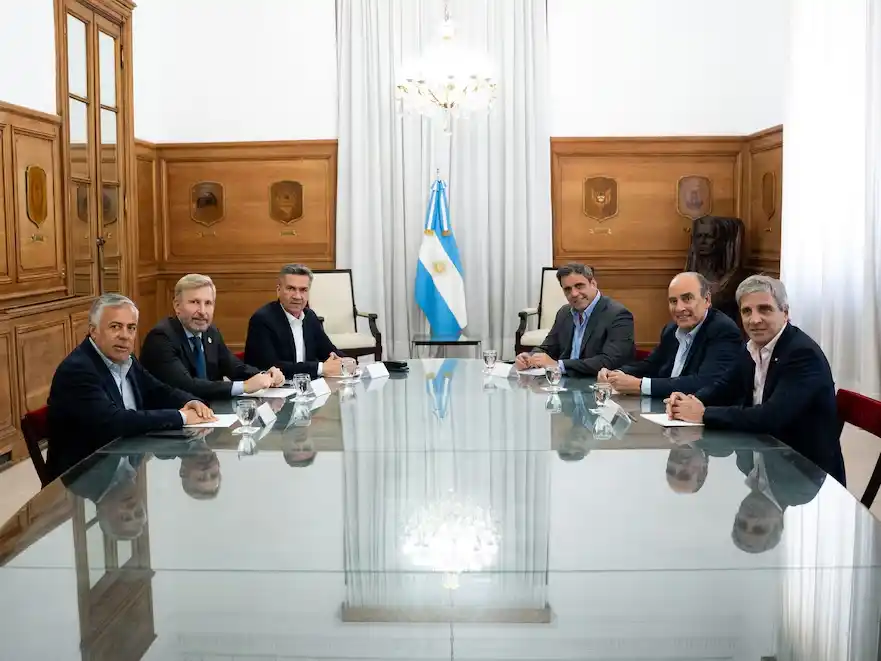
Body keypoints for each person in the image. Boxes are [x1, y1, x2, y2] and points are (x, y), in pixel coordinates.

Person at [665, 275, 845, 484]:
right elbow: (724, 388)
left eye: (765, 309)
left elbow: (770, 416)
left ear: (785, 313)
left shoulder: (802, 354)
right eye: (746, 311)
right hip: (761, 462)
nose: (754, 319)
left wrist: (703, 414)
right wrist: (688, 400)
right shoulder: (751, 347)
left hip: (804, 476)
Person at [46, 293, 215, 480]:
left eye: (131, 328)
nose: (125, 336)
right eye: (115, 327)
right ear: (93, 331)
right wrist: (181, 417)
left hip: (126, 464)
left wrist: (190, 401)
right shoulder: (78, 370)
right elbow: (114, 422)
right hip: (85, 480)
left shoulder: (127, 359)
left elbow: (157, 390)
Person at [140, 273, 284, 400]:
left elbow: (235, 368)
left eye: (208, 303)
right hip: (174, 420)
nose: (202, 311)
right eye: (195, 302)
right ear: (177, 306)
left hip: (210, 415)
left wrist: (266, 376)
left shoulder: (210, 332)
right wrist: (244, 386)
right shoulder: (161, 337)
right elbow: (187, 386)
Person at [599, 272, 742, 398]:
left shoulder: (723, 330)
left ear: (707, 300)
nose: (679, 308)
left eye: (687, 299)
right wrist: (615, 374)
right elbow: (650, 365)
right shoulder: (671, 329)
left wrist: (640, 385)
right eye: (673, 301)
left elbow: (705, 382)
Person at [514, 263, 635, 376]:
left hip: (598, 385)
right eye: (567, 289)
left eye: (579, 286)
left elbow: (610, 361)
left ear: (593, 283)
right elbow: (548, 347)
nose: (574, 294)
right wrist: (529, 356)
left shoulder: (618, 315)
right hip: (563, 384)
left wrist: (559, 365)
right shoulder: (564, 312)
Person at [245, 264, 343, 379]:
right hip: (275, 389)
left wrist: (345, 361)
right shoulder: (262, 320)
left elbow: (329, 351)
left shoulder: (309, 316)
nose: (297, 296)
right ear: (278, 290)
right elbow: (269, 367)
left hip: (308, 388)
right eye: (291, 289)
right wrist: (320, 368)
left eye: (303, 290)